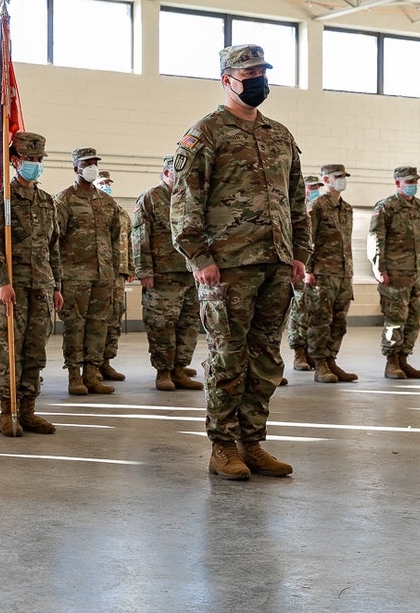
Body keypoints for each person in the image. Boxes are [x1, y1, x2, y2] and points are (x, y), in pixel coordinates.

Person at [170, 45, 310, 480]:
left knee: (266, 357)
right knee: (228, 357)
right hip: (227, 267)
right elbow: (184, 203)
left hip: (276, 263)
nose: (257, 79)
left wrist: (300, 254)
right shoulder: (205, 134)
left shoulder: (280, 135)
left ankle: (253, 442)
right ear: (227, 79)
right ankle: (223, 446)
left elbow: (296, 202)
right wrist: (199, 258)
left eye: (262, 71)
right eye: (248, 72)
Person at [0, 131, 64, 437]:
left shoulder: (46, 201)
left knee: (34, 351)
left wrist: (56, 286)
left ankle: (28, 410)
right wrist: (3, 282)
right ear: (15, 161)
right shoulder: (1, 198)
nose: (36, 164)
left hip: (40, 287)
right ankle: (8, 412)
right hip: (11, 289)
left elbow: (52, 246)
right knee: (10, 351)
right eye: (30, 159)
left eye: (39, 159)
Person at [54, 147, 123, 395]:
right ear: (76, 168)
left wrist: (115, 273)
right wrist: (57, 279)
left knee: (98, 324)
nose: (92, 167)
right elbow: (55, 239)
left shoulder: (107, 202)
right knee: (75, 326)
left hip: (103, 276)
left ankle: (92, 373)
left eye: (95, 163)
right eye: (87, 164)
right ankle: (75, 375)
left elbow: (116, 239)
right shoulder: (64, 200)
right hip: (74, 277)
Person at [132, 155, 203, 391]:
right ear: (165, 174)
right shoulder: (151, 198)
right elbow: (139, 237)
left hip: (190, 273)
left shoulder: (192, 199)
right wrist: (144, 270)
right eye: (177, 174)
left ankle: (180, 369)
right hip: (162, 275)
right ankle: (163, 372)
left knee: (188, 324)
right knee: (161, 324)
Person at [368, 166, 420, 380]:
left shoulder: (419, 206)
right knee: (395, 318)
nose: (414, 185)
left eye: (415, 181)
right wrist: (379, 268)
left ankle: (404, 359)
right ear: (398, 183)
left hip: (415, 273)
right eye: (410, 181)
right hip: (394, 274)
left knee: (413, 319)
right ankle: (391, 362)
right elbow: (376, 239)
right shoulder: (386, 207)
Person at [305, 165, 357, 384]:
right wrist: (308, 270)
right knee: (320, 320)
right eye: (338, 177)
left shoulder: (346, 209)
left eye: (344, 177)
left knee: (339, 322)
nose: (342, 180)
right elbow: (308, 239)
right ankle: (320, 365)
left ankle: (331, 359)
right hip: (323, 273)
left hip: (343, 273)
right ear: (326, 179)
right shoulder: (317, 206)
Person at [93, 170, 135, 383]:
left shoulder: (121, 212)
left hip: (119, 273)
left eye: (108, 182)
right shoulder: (93, 210)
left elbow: (130, 242)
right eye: (102, 183)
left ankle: (106, 361)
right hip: (97, 273)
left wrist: (131, 268)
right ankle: (91, 365)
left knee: (115, 317)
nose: (106, 186)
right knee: (96, 319)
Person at [289, 175, 323, 372]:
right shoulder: (297, 210)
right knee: (299, 311)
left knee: (313, 313)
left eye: (317, 187)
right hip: (300, 269)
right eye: (310, 187)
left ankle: (310, 352)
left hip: (314, 268)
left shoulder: (317, 209)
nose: (313, 191)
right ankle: (298, 353)